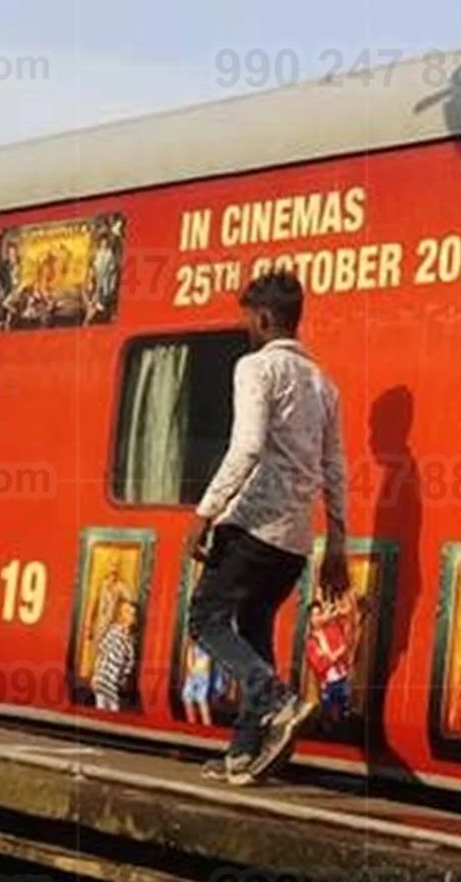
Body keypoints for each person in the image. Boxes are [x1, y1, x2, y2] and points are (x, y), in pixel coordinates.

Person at [182, 270, 350, 786]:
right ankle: (244, 754)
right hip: (296, 541)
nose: (245, 329)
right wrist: (337, 539)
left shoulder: (255, 368)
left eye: (247, 320)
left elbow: (248, 445)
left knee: (206, 619)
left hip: (252, 525)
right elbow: (335, 465)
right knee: (254, 626)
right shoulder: (324, 385)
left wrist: (205, 512)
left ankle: (276, 700)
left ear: (263, 318)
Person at [305, 601, 352, 724]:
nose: (317, 618)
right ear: (309, 619)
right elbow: (318, 665)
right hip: (326, 683)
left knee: (344, 714)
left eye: (319, 614)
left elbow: (343, 647)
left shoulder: (332, 629)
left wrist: (326, 654)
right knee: (327, 716)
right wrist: (333, 656)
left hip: (342, 677)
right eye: (313, 615)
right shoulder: (311, 642)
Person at [91, 597, 137, 711]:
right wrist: (95, 675)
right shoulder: (113, 631)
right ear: (120, 614)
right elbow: (101, 653)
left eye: (131, 613)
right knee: (104, 708)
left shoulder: (129, 641)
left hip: (113, 683)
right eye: (126, 612)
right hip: (103, 678)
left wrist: (122, 679)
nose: (128, 616)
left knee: (111, 709)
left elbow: (128, 665)